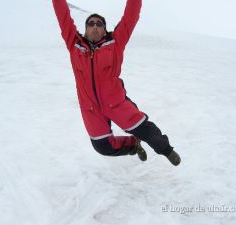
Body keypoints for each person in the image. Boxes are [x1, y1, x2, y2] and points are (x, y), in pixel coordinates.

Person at [52, 0, 181, 166]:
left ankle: (166, 150)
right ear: (85, 30)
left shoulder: (115, 43)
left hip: (116, 103)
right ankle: (133, 145)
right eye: (91, 23)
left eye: (99, 24)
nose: (95, 26)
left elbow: (130, 16)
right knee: (102, 146)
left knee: (146, 131)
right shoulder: (74, 45)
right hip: (91, 109)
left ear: (105, 29)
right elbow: (63, 16)